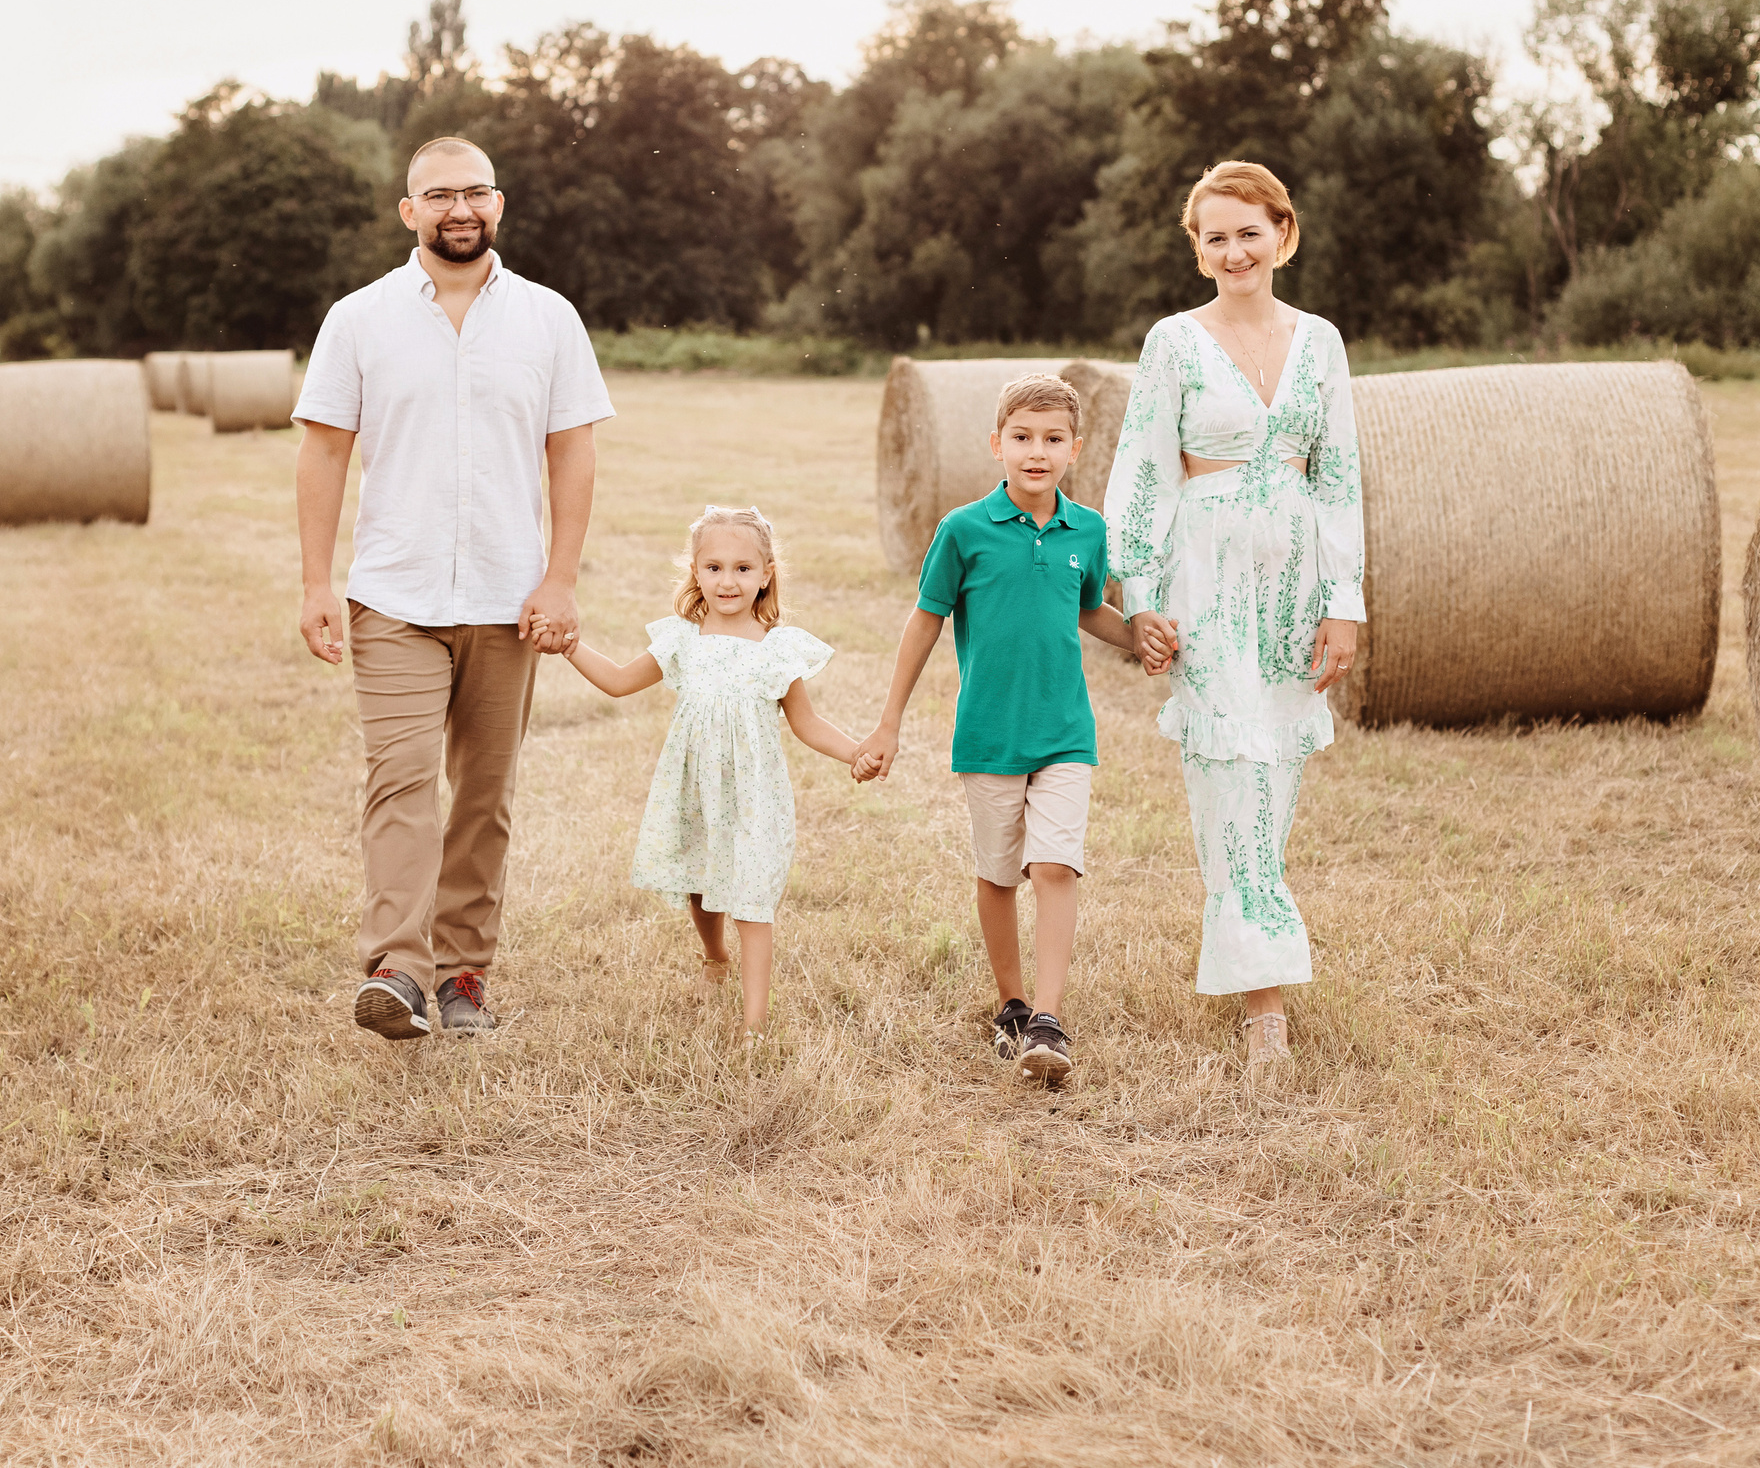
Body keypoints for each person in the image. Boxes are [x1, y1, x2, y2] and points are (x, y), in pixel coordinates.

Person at [294, 136, 613, 1041]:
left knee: (484, 793)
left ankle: (464, 973)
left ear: (500, 204)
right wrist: (317, 581)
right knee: (400, 782)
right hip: (393, 593)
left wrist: (560, 577)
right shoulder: (357, 318)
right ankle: (399, 968)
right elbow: (322, 450)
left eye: (475, 193)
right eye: (440, 196)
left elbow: (573, 450)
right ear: (409, 212)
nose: (459, 209)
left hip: (510, 600)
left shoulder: (550, 319)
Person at [1101, 160, 1365, 1076]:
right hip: (1203, 579)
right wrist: (1142, 601)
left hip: (1294, 579)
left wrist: (1345, 602)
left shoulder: (1322, 341)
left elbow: (1338, 477)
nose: (1232, 250)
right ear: (1196, 249)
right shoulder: (1172, 342)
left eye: (1249, 231)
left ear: (1283, 235)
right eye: (1214, 236)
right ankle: (1265, 1009)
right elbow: (1142, 472)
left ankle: (1254, 958)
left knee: (1277, 772)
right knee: (1228, 775)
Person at [855, 374, 1140, 1084]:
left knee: (1054, 864)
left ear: (1075, 448)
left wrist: (1139, 636)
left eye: (1051, 440)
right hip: (987, 734)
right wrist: (889, 721)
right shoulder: (962, 531)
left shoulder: (1088, 530)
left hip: (1066, 730)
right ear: (996, 444)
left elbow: (1087, 607)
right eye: (1022, 437)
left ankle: (1047, 1017)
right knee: (998, 871)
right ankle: (1010, 1003)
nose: (1035, 452)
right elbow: (924, 622)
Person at [559, 506, 871, 1041]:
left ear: (767, 573)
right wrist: (567, 644)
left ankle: (754, 1026)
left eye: (744, 569)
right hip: (694, 788)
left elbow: (807, 722)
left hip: (753, 795)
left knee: (751, 898)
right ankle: (714, 956)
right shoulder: (683, 640)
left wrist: (855, 752)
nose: (729, 580)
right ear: (696, 572)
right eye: (715, 568)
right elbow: (615, 681)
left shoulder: (777, 648)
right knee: (701, 887)